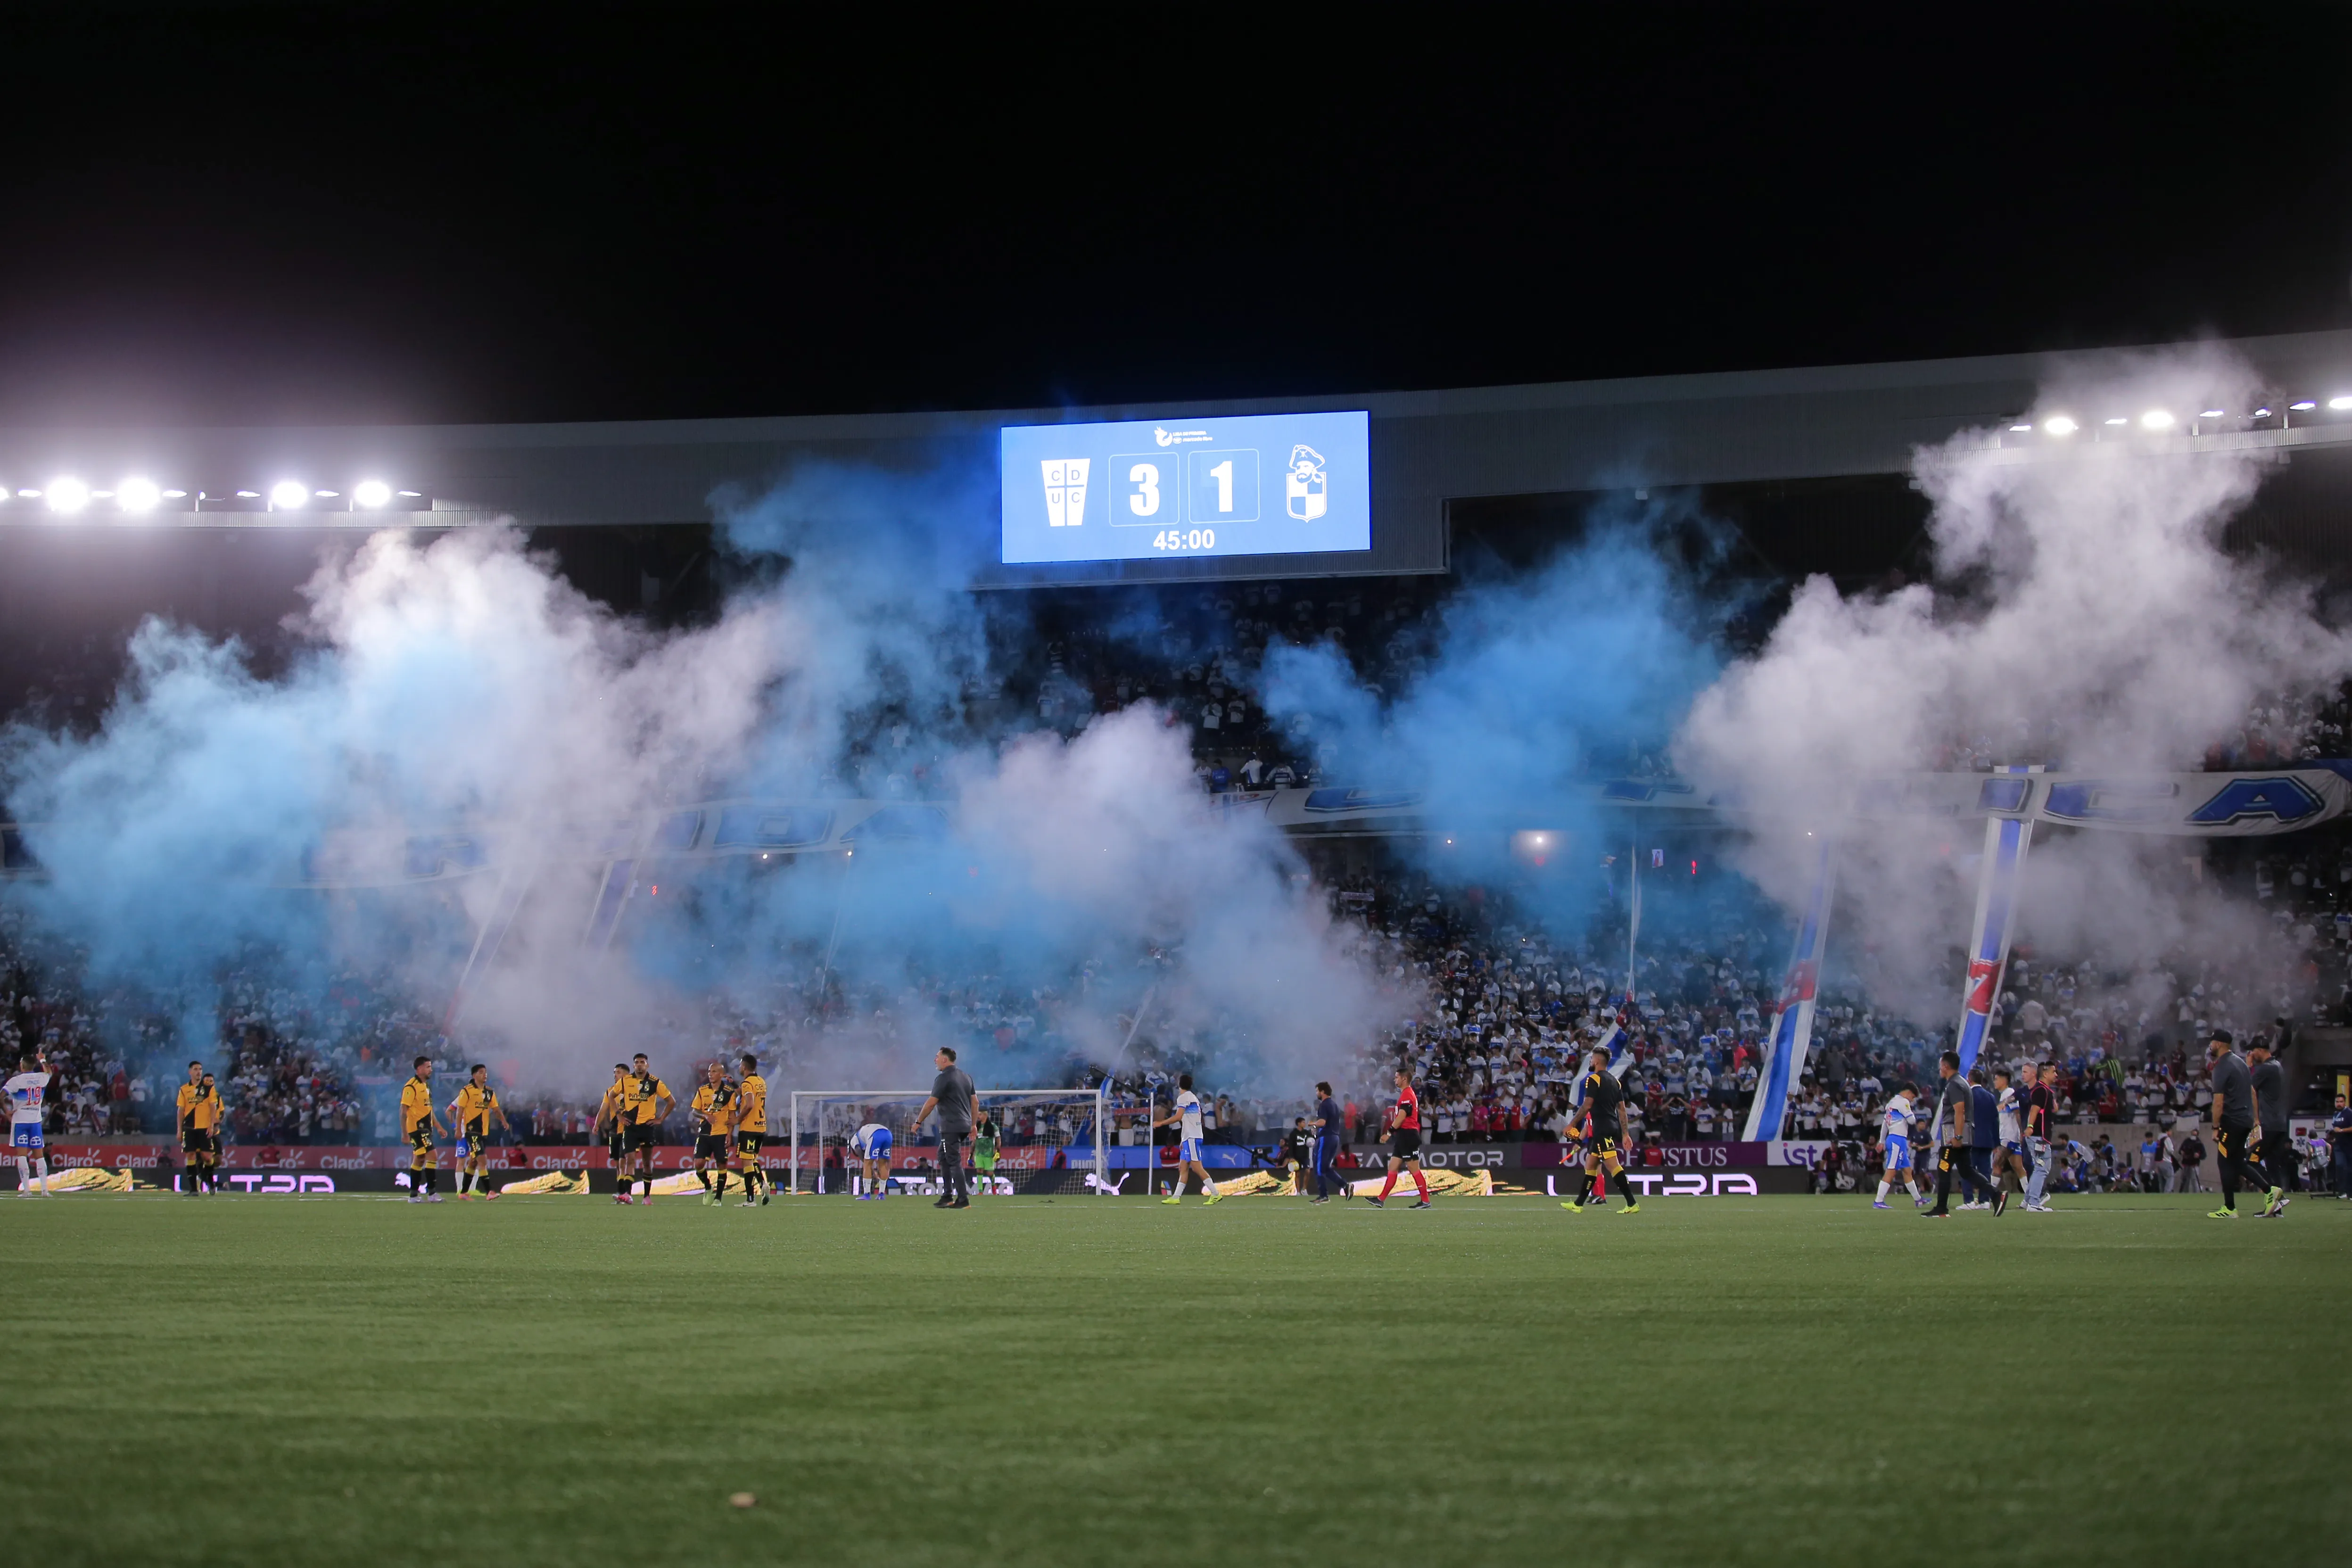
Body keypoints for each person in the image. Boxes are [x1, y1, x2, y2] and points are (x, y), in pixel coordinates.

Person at [1561, 1046, 1638, 1215]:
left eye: (1591, 1059)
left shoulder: (1594, 1079)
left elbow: (1587, 1105)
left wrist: (1572, 1124)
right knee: (1591, 1164)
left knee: (1614, 1167)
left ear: (1596, 1061)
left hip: (1602, 1127)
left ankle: (1632, 1203)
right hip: (1608, 1126)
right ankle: (1578, 1204)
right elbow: (1622, 1110)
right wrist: (1625, 1134)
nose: (1590, 1061)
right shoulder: (1615, 1082)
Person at [911, 1047, 977, 1210]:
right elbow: (975, 1102)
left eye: (937, 1057)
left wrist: (919, 1121)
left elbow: (932, 1102)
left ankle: (963, 1200)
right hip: (964, 1124)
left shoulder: (943, 1078)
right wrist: (974, 1124)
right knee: (943, 1155)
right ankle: (947, 1195)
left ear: (945, 1060)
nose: (935, 1060)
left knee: (954, 1161)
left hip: (952, 1126)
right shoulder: (966, 1077)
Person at [2205, 1032, 2261, 1219]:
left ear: (2219, 1044)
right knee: (2237, 1163)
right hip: (2245, 1119)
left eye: (2212, 1042)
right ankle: (2272, 1190)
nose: (2210, 1045)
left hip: (2233, 1121)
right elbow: (2252, 1093)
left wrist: (2215, 1128)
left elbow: (2218, 1102)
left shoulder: (2222, 1066)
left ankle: (2230, 1208)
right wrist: (2255, 1119)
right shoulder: (2241, 1063)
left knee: (2224, 1162)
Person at [1151, 1073, 1224, 1206]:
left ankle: (1215, 1194)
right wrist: (1183, 1140)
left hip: (1192, 1137)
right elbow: (1189, 1120)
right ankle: (1176, 1197)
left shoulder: (1183, 1098)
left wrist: (1160, 1123)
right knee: (1183, 1167)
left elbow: (1179, 1117)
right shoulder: (1193, 1097)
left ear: (1180, 1084)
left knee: (1197, 1168)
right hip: (1190, 1137)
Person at [1924, 1051, 1980, 1219]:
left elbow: (1959, 1111)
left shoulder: (1954, 1084)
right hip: (1960, 1134)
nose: (1939, 1069)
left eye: (1941, 1065)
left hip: (1954, 1137)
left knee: (1944, 1169)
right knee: (1967, 1171)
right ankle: (1995, 1195)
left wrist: (1957, 1137)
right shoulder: (1961, 1082)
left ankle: (1941, 1208)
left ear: (1946, 1066)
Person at [1372, 1066, 1432, 1210]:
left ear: (1404, 1079)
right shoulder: (1407, 1094)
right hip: (1404, 1136)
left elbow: (1401, 1117)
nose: (1395, 1080)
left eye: (1397, 1077)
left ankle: (1425, 1201)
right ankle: (1381, 1199)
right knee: (1393, 1167)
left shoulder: (1407, 1095)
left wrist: (1388, 1133)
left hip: (1408, 1135)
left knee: (1413, 1168)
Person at [450, 1063, 510, 1201]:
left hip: (484, 1132)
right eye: (481, 1072)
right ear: (474, 1075)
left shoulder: (489, 1092)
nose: (485, 1075)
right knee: (482, 1160)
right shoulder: (467, 1091)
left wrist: (504, 1121)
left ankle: (464, 1193)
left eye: (486, 1072)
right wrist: (459, 1129)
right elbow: (459, 1111)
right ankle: (490, 1191)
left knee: (473, 1162)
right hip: (472, 1131)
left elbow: (496, 1109)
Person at [2245, 1039, 2291, 1218]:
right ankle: (2276, 1209)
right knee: (2273, 1165)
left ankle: (2275, 1196)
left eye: (2252, 1051)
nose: (2251, 1055)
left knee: (2252, 1161)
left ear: (2259, 1050)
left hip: (2269, 1124)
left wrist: (2249, 1067)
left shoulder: (2266, 1069)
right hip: (2279, 1123)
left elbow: (2248, 1086)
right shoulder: (2278, 1066)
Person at [622, 1054, 675, 1205]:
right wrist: (619, 1116)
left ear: (647, 1065)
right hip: (631, 1127)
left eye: (642, 1062)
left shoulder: (655, 1083)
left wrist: (661, 1119)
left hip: (647, 1127)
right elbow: (612, 1096)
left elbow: (671, 1101)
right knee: (630, 1160)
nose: (640, 1065)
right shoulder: (626, 1081)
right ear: (633, 1066)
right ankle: (627, 1194)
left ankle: (646, 1196)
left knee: (646, 1162)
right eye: (637, 1063)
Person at [688, 1061, 738, 1206]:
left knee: (722, 1164)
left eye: (714, 1072)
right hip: (704, 1133)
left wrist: (730, 1134)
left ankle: (718, 1198)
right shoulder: (702, 1090)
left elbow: (732, 1117)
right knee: (698, 1164)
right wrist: (705, 1116)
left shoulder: (729, 1093)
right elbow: (695, 1111)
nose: (710, 1074)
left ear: (721, 1075)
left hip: (721, 1133)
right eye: (709, 1072)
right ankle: (708, 1187)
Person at [1873, 1081, 1927, 1210]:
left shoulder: (1891, 1103)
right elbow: (1912, 1121)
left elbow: (1885, 1124)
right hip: (1898, 1140)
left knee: (1907, 1171)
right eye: (1913, 1097)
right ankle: (1878, 1201)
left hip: (1894, 1138)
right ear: (1909, 1093)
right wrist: (1910, 1112)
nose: (1913, 1100)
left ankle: (1918, 1199)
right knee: (1891, 1171)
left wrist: (1881, 1141)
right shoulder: (1903, 1103)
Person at [401, 1055, 447, 1204]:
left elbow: (429, 1110)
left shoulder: (426, 1087)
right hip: (417, 1128)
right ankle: (432, 1194)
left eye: (431, 1067)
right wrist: (405, 1134)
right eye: (428, 1067)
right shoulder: (411, 1086)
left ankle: (414, 1196)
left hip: (427, 1128)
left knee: (420, 1159)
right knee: (433, 1156)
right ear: (419, 1069)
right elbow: (403, 1111)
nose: (431, 1070)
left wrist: (439, 1127)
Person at [7, 1050, 53, 1197]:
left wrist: (6, 1111)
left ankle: (27, 1191)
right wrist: (43, 1060)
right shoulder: (42, 1077)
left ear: (22, 1065)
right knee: (39, 1156)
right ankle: (45, 1190)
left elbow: (1, 1096)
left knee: (22, 1156)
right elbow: (49, 1071)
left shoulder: (16, 1081)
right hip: (35, 1120)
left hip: (20, 1121)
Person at [174, 1059, 221, 1197]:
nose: (199, 1072)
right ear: (190, 1072)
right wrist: (179, 1130)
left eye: (200, 1069)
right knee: (190, 1155)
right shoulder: (184, 1090)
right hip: (189, 1128)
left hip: (204, 1128)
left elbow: (213, 1106)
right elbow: (180, 1111)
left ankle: (211, 1181)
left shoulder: (209, 1088)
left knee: (207, 1157)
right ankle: (194, 1190)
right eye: (195, 1069)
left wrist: (212, 1125)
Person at [1989, 1066, 2032, 1210]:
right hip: (2009, 1136)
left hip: (2009, 1137)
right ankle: (2031, 1198)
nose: (1994, 1082)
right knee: (2018, 1168)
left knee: (1997, 1165)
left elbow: (2017, 1113)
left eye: (1996, 1079)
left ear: (2004, 1079)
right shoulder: (2003, 1095)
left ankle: (1988, 1199)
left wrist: (2021, 1133)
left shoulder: (2009, 1093)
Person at [731, 1052, 769, 1207]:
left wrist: (737, 1119)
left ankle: (750, 1200)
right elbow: (745, 1091)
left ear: (745, 1067)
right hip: (761, 1126)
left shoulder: (747, 1083)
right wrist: (734, 1085)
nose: (739, 1067)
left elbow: (750, 1104)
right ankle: (762, 1184)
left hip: (749, 1127)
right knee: (752, 1159)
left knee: (746, 1162)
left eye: (740, 1064)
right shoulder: (761, 1081)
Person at [1967, 1066, 2005, 1214]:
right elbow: (1995, 1121)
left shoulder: (1968, 1095)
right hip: (1987, 1140)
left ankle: (1969, 1201)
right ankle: (1984, 1201)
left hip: (1971, 1139)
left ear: (1969, 1080)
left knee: (1968, 1170)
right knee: (1985, 1172)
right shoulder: (1990, 1097)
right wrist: (1996, 1143)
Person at [593, 1063, 633, 1204]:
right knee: (617, 1164)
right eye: (615, 1073)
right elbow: (603, 1110)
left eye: (619, 1072)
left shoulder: (633, 1091)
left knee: (623, 1163)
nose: (615, 1075)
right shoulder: (610, 1092)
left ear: (627, 1075)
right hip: (614, 1130)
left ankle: (624, 1193)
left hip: (628, 1130)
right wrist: (597, 1125)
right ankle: (621, 1194)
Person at [1308, 1080, 1347, 1204]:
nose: (1316, 1093)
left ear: (1322, 1092)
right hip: (1334, 1137)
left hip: (1326, 1137)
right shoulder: (1334, 1105)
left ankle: (1324, 1195)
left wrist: (1313, 1123)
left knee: (1319, 1166)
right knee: (1325, 1167)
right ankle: (1345, 1186)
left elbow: (1323, 1122)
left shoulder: (1324, 1105)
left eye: (1317, 1091)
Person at [851, 1120, 894, 1199]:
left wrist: (873, 1172)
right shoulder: (864, 1132)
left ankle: (867, 1195)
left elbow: (863, 1158)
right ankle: (881, 1195)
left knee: (867, 1165)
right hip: (888, 1134)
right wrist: (889, 1162)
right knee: (882, 1164)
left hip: (876, 1135)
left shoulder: (854, 1140)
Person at [970, 1109, 1001, 1198]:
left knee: (990, 1173)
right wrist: (971, 1155)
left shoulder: (993, 1127)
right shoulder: (976, 1127)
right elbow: (974, 1141)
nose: (978, 1117)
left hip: (989, 1153)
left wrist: (998, 1151)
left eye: (980, 1115)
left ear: (985, 1115)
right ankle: (980, 1191)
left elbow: (998, 1139)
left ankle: (994, 1186)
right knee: (979, 1170)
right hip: (979, 1153)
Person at [1282, 1116, 1313, 1195]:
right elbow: (1291, 1146)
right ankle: (1298, 1191)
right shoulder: (1294, 1133)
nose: (1304, 1124)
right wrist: (1291, 1157)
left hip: (1305, 1155)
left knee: (1308, 1171)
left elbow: (1312, 1140)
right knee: (1298, 1174)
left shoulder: (1307, 1133)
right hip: (1296, 1156)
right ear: (1299, 1124)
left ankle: (1304, 1189)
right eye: (1303, 1122)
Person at [2329, 1092, 2352, 1199]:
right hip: (2338, 1145)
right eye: (2337, 1102)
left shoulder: (2349, 1113)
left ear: (2345, 1102)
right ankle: (2342, 1191)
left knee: (2348, 1169)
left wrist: (2342, 1131)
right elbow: (2335, 1127)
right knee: (2340, 1167)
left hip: (2348, 1144)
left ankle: (2349, 1192)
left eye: (2341, 1102)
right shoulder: (2335, 1114)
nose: (2339, 1104)